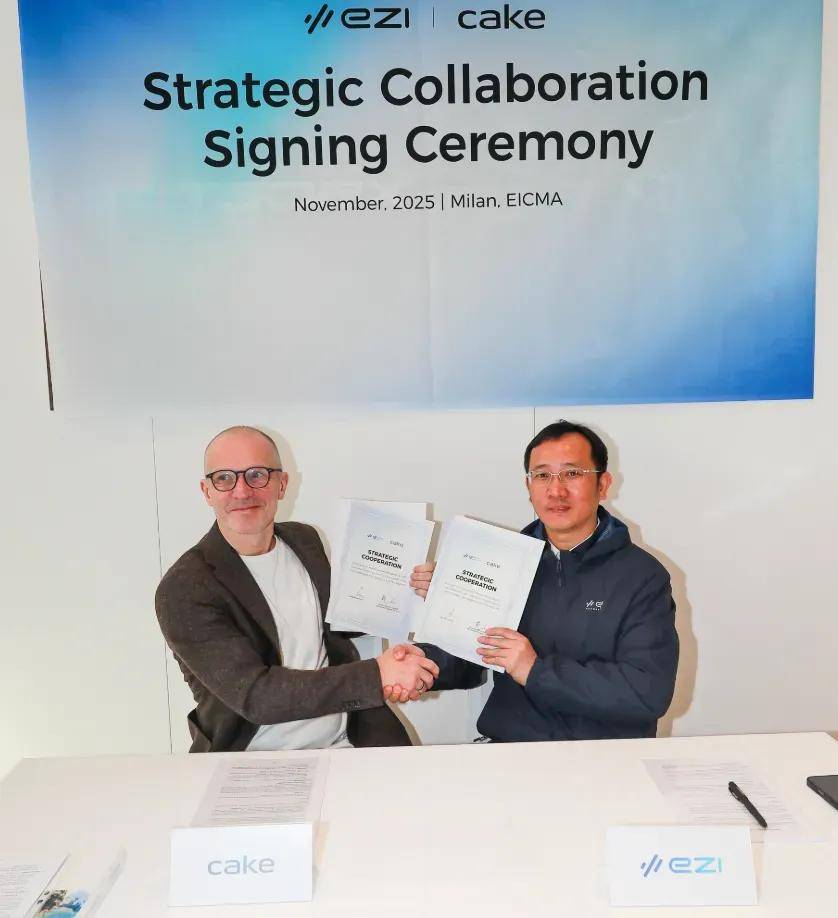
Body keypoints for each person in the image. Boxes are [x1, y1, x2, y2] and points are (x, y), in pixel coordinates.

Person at [155, 425, 438, 752]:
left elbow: (337, 621)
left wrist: (410, 591)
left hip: (348, 742)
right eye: (224, 478)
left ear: (282, 484)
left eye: (257, 475)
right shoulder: (185, 588)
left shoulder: (304, 540)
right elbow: (256, 695)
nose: (242, 491)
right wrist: (377, 675)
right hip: (253, 759)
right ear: (207, 491)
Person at [405, 420, 679, 742]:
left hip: (604, 758)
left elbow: (647, 692)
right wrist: (422, 662)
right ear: (528, 486)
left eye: (572, 473)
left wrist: (535, 671)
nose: (556, 490)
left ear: (603, 484)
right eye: (542, 475)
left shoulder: (642, 576)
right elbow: (474, 657)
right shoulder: (503, 563)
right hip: (509, 751)